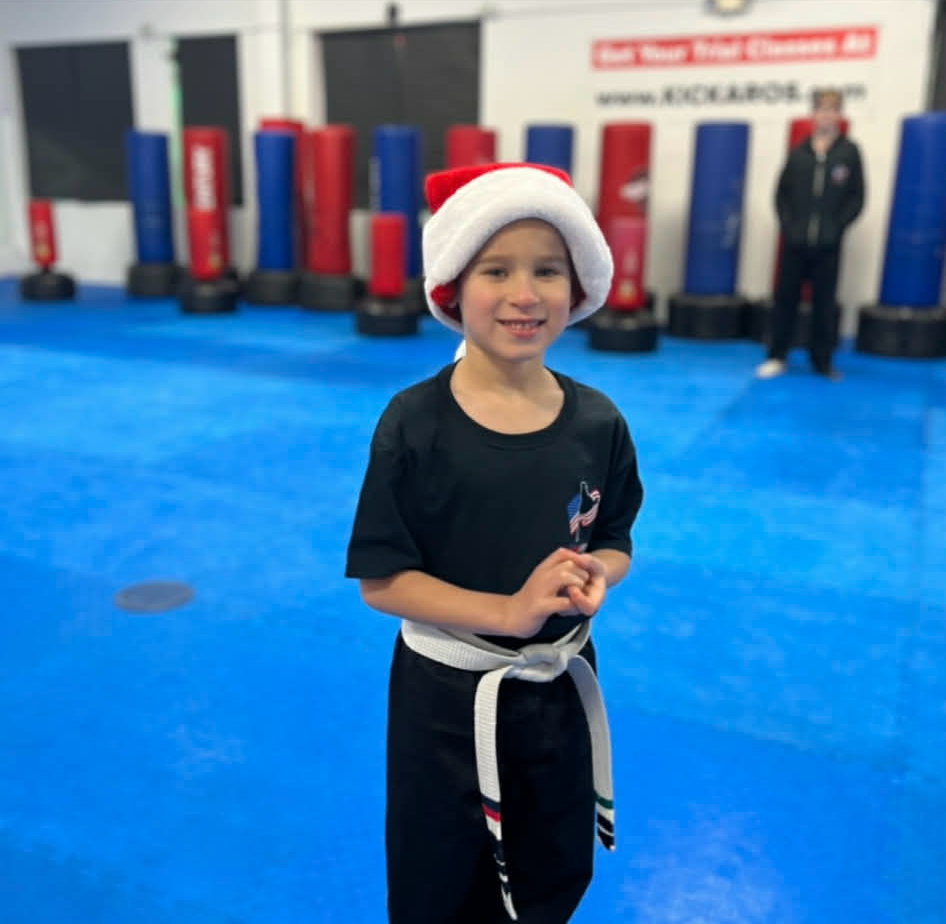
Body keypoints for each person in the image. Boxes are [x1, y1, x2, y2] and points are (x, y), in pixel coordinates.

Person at [345, 162, 644, 924]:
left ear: (578, 286)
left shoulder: (598, 423)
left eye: (547, 270)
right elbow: (383, 580)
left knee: (551, 878)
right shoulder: (416, 425)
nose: (525, 294)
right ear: (452, 287)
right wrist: (508, 612)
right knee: (441, 888)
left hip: (560, 688)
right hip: (448, 704)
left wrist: (597, 572)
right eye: (497, 270)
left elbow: (616, 539)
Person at [756, 87, 865, 381]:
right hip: (796, 242)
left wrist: (837, 227)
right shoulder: (799, 153)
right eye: (822, 110)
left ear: (840, 115)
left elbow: (857, 197)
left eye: (833, 110)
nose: (827, 115)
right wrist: (789, 227)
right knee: (785, 301)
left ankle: (822, 361)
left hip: (828, 245)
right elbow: (781, 194)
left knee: (824, 304)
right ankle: (777, 356)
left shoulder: (849, 153)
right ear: (814, 114)